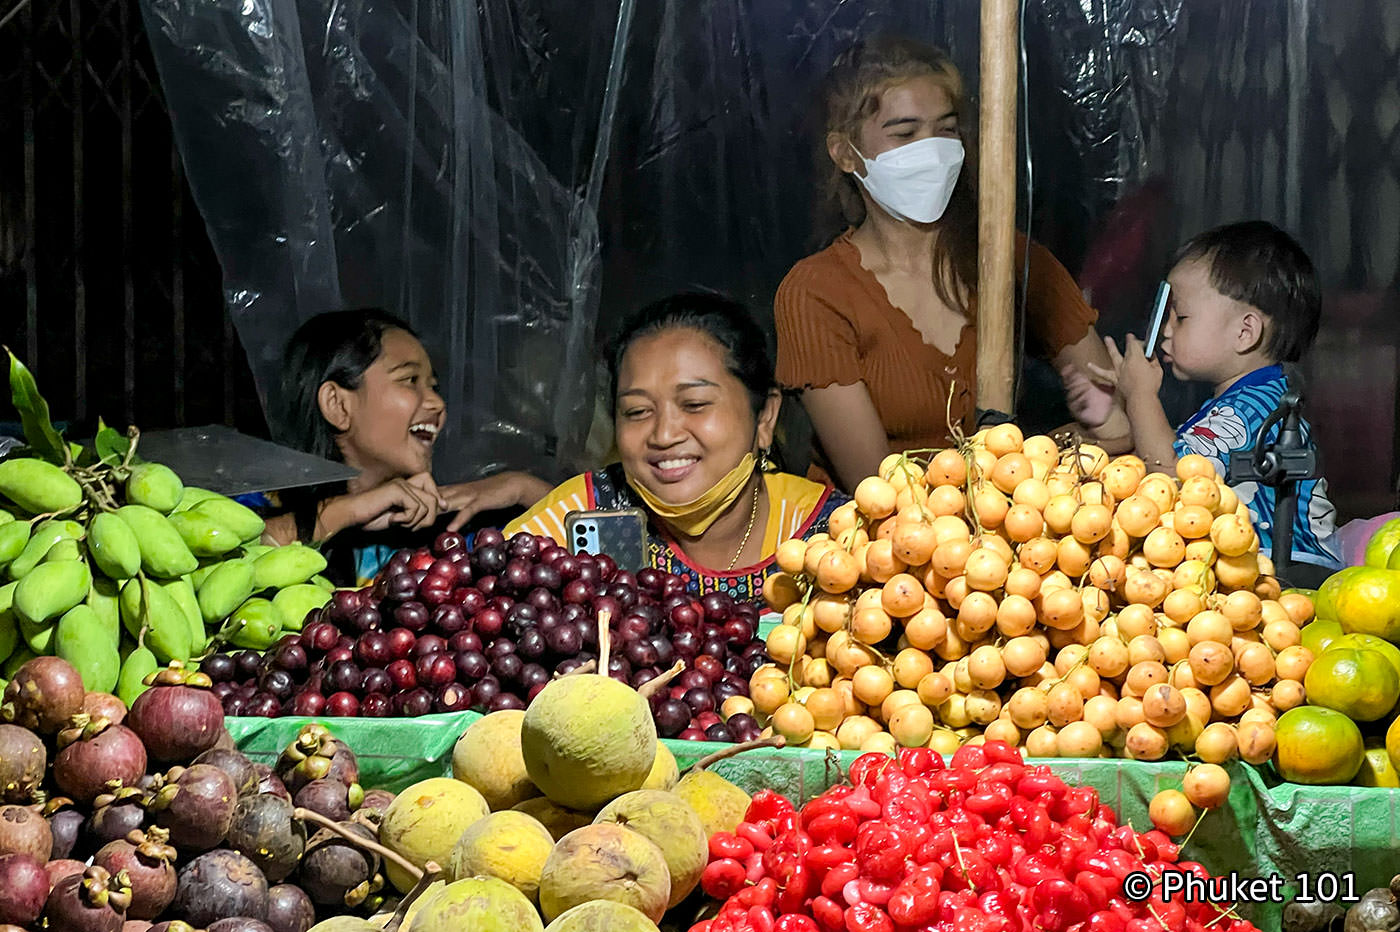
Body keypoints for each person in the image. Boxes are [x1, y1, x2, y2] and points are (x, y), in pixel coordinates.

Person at [775, 35, 1130, 492]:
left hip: (1018, 533)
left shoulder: (1011, 260)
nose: (933, 151)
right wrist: (1046, 457)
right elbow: (879, 489)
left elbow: (1112, 423)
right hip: (879, 548)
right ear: (845, 153)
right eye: (904, 134)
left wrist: (1080, 437)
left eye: (945, 130)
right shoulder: (816, 292)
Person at [505, 293, 848, 604]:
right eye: (637, 412)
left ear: (765, 417)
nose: (664, 435)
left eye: (695, 404)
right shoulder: (573, 519)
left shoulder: (835, 535)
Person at [1089, 220, 1342, 570]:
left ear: (1244, 332)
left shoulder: (1250, 411)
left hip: (1286, 569)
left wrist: (1141, 396)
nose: (1165, 330)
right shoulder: (1257, 396)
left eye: (1180, 316)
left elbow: (1170, 480)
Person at [261, 309, 551, 585]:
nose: (437, 404)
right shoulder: (258, 508)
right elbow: (236, 566)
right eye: (410, 380)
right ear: (338, 405)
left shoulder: (444, 541)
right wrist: (352, 510)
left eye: (434, 386)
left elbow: (585, 546)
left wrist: (519, 487)